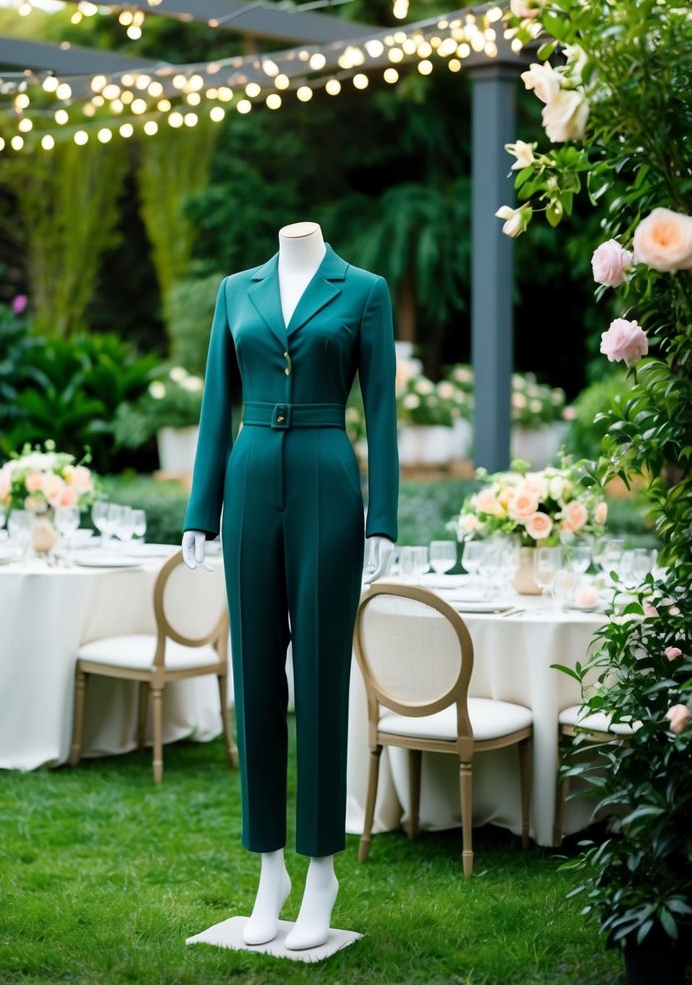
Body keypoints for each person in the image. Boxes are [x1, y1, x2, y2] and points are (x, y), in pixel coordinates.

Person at [182, 221, 398, 950]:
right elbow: (217, 404)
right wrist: (198, 513)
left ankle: (321, 871)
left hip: (325, 480)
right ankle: (268, 867)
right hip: (247, 479)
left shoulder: (363, 291)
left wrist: (383, 520)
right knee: (256, 682)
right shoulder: (235, 291)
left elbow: (384, 415)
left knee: (318, 679)